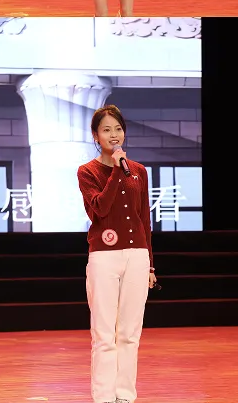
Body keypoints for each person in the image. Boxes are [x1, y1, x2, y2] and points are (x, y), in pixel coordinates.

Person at [78, 105, 157, 403]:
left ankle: (125, 396)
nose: (114, 135)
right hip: (104, 257)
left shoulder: (139, 171)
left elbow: (144, 219)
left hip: (137, 256)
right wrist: (115, 169)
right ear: (95, 136)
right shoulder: (87, 172)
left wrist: (151, 265)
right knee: (103, 334)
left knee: (129, 333)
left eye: (118, 129)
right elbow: (99, 208)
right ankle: (103, 397)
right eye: (107, 130)